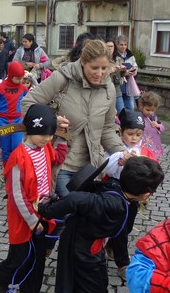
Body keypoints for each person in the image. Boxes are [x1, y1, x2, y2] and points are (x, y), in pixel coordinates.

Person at [38, 157, 163, 293]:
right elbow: (75, 199)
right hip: (83, 251)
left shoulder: (117, 189)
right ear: (146, 194)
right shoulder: (114, 204)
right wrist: (47, 209)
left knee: (98, 290)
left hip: (91, 247)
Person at [0, 104, 68, 293]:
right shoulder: (18, 157)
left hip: (43, 210)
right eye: (42, 134)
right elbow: (16, 195)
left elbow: (57, 159)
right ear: (30, 130)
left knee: (38, 257)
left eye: (49, 135)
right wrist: (32, 221)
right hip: (24, 216)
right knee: (20, 256)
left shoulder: (46, 147)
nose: (46, 139)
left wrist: (61, 139)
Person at [21, 39, 126, 196]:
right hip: (62, 164)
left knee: (84, 217)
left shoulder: (108, 88)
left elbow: (107, 128)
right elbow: (27, 103)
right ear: (83, 62)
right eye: (94, 68)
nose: (100, 74)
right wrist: (52, 121)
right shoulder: (62, 78)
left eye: (104, 68)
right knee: (69, 211)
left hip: (91, 168)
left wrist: (122, 152)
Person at [104, 109, 158, 280]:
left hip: (135, 194)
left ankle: (112, 244)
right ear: (121, 132)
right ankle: (123, 263)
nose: (134, 138)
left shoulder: (143, 150)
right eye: (130, 134)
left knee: (127, 226)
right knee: (120, 225)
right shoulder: (114, 148)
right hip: (116, 188)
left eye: (138, 134)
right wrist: (120, 161)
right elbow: (107, 168)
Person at [0, 61, 29, 165]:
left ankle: (16, 171)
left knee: (17, 148)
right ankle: (7, 172)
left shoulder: (23, 88)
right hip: (3, 121)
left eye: (22, 78)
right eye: (18, 78)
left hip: (17, 121)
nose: (20, 81)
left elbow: (29, 102)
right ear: (11, 76)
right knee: (6, 150)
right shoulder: (0, 87)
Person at [115, 35, 138, 111]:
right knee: (120, 109)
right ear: (117, 45)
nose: (123, 47)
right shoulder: (114, 56)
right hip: (118, 85)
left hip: (128, 85)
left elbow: (135, 67)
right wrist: (124, 73)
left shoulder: (130, 56)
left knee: (130, 108)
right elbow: (114, 69)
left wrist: (132, 72)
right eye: (121, 45)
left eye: (125, 45)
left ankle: (128, 122)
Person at [139, 91, 165, 159]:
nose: (150, 112)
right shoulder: (139, 117)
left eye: (153, 110)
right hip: (143, 144)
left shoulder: (153, 118)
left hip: (153, 144)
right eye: (148, 110)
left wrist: (158, 125)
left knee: (152, 159)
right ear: (141, 106)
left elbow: (162, 128)